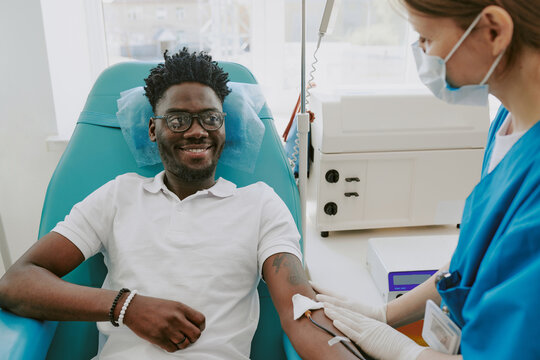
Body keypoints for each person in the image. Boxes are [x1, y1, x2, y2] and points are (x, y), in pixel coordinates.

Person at [0, 49, 358, 359]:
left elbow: (300, 309)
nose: (197, 130)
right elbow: (16, 282)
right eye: (178, 120)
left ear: (223, 127)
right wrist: (125, 307)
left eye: (210, 118)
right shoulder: (118, 196)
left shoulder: (261, 204)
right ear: (153, 130)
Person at [314, 1, 540, 359]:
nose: (421, 53)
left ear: (494, 31)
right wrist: (385, 315)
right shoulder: (509, 121)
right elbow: (470, 260)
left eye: (426, 37)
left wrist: (406, 352)